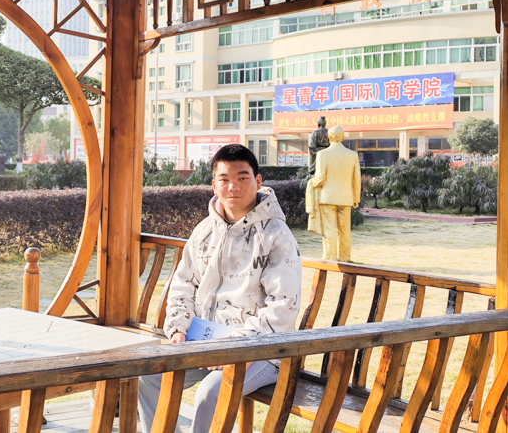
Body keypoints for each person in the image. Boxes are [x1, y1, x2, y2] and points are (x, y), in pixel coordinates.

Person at [138, 144, 302, 433]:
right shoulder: (204, 231)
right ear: (214, 185)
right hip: (205, 342)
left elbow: (283, 305)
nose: (233, 186)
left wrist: (235, 347)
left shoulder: (276, 236)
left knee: (212, 391)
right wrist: (178, 327)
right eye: (224, 179)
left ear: (258, 181)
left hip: (260, 349)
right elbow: (183, 283)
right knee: (150, 376)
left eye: (242, 178)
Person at [309, 126, 361, 262]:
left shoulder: (323, 154)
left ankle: (329, 257)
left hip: (328, 197)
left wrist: (311, 183)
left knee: (329, 229)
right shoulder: (352, 155)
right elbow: (356, 179)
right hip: (346, 198)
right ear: (342, 137)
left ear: (329, 137)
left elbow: (320, 178)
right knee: (345, 230)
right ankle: (345, 257)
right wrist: (356, 198)